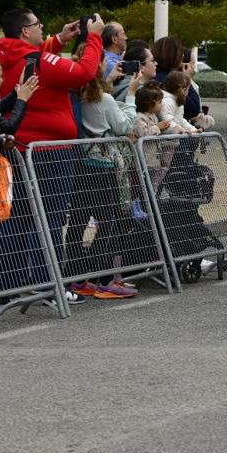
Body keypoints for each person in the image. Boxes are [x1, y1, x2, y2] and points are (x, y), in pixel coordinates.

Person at [0, 10, 103, 300]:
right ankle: (50, 286)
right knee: (51, 218)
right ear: (24, 32)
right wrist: (93, 37)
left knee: (18, 218)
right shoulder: (37, 59)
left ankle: (11, 285)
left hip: (21, 147)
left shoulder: (11, 54)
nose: (42, 27)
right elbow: (84, 73)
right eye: (37, 25)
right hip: (50, 152)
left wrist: (59, 39)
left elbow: (37, 58)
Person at [63, 66, 141, 299]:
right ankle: (104, 278)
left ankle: (76, 277)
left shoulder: (75, 97)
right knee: (108, 223)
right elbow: (124, 126)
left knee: (78, 223)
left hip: (81, 165)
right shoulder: (105, 99)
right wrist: (131, 94)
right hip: (104, 166)